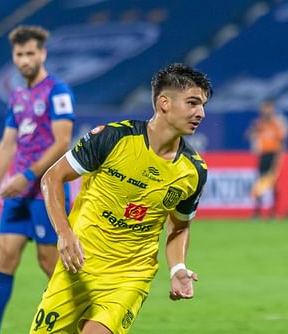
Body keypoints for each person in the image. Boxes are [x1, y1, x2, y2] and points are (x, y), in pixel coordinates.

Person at [29, 63, 212, 334]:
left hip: (129, 276)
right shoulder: (113, 138)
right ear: (164, 103)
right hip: (78, 267)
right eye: (193, 103)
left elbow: (180, 225)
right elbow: (52, 178)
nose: (201, 113)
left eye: (203, 105)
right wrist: (65, 234)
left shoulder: (193, 171)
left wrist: (178, 268)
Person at [0, 25, 76, 334]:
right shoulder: (17, 96)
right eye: (19, 54)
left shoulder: (58, 91)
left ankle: (81, 323)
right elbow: (7, 145)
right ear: (14, 57)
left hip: (46, 192)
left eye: (30, 53)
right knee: (5, 255)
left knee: (50, 263)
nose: (24, 60)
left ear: (42, 54)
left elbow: (62, 142)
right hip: (18, 194)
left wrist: (28, 176)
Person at [245, 99, 287, 217]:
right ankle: (257, 211)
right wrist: (254, 129)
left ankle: (273, 212)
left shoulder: (277, 124)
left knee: (273, 185)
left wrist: (278, 159)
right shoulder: (260, 124)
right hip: (263, 156)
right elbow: (248, 135)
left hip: (273, 156)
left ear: (272, 109)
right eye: (264, 108)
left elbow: (282, 143)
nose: (266, 111)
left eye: (268, 108)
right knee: (259, 183)